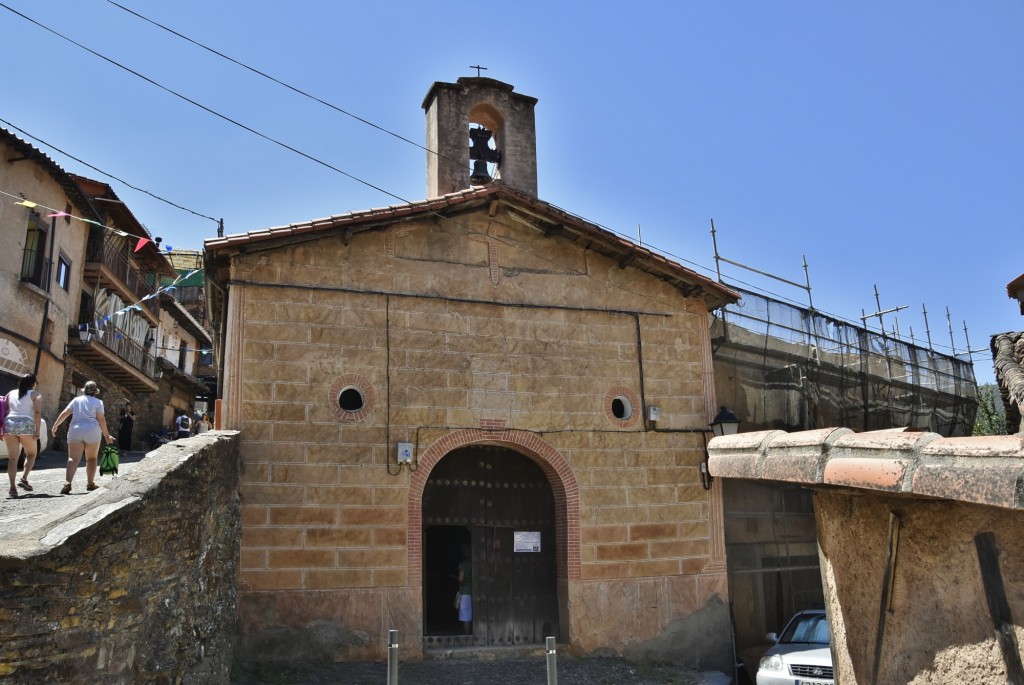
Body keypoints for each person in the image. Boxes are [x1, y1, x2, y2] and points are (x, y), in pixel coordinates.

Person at [51, 380, 114, 495]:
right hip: (92, 431)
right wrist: (106, 435)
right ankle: (90, 484)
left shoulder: (76, 400)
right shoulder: (98, 402)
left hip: (76, 429)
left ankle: (67, 483)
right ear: (95, 392)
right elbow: (101, 419)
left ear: (84, 390)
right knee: (91, 458)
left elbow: (65, 413)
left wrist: (55, 426)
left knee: (73, 458)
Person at [3, 373, 42, 498]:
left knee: (12, 458)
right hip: (26, 424)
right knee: (31, 453)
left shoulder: (10, 393)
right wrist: (37, 429)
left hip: (9, 424)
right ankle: (24, 478)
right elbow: (36, 412)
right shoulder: (35, 395)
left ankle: (12, 488)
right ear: (33, 383)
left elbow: (4, 409)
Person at [457, 544, 473, 635]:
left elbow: (461, 578)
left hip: (465, 592)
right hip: (474, 591)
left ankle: (467, 635)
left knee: (466, 616)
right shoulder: (474, 563)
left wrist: (458, 580)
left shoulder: (463, 564)